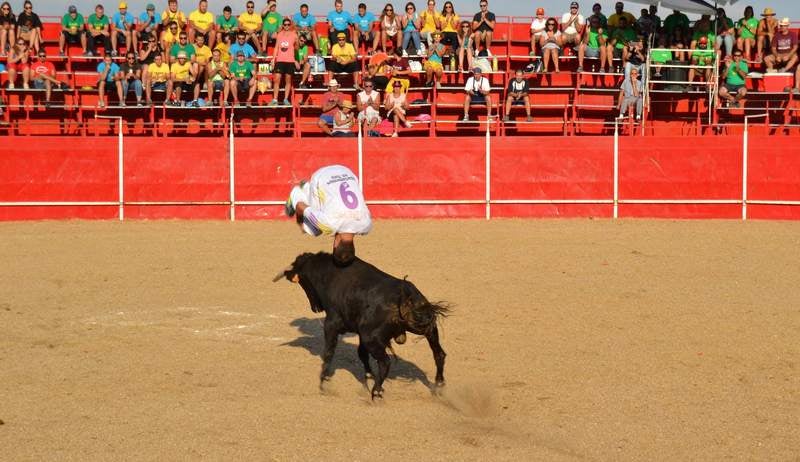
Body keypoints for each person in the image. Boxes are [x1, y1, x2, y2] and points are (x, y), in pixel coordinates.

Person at [284, 164, 372, 266]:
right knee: (313, 229)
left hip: (347, 172)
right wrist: (300, 222)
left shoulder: (367, 225)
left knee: (325, 208)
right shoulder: (328, 225)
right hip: (322, 176)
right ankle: (298, 192)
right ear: (336, 244)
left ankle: (308, 189)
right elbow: (300, 206)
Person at [271, 18, 297, 106]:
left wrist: (296, 59)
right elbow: (276, 47)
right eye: (285, 24)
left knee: (288, 80)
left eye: (288, 25)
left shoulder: (294, 35)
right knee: (276, 79)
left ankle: (286, 99)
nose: (286, 26)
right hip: (280, 60)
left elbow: (297, 47)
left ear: (290, 25)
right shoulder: (279, 34)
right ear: (282, 25)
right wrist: (273, 59)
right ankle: (275, 99)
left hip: (289, 60)